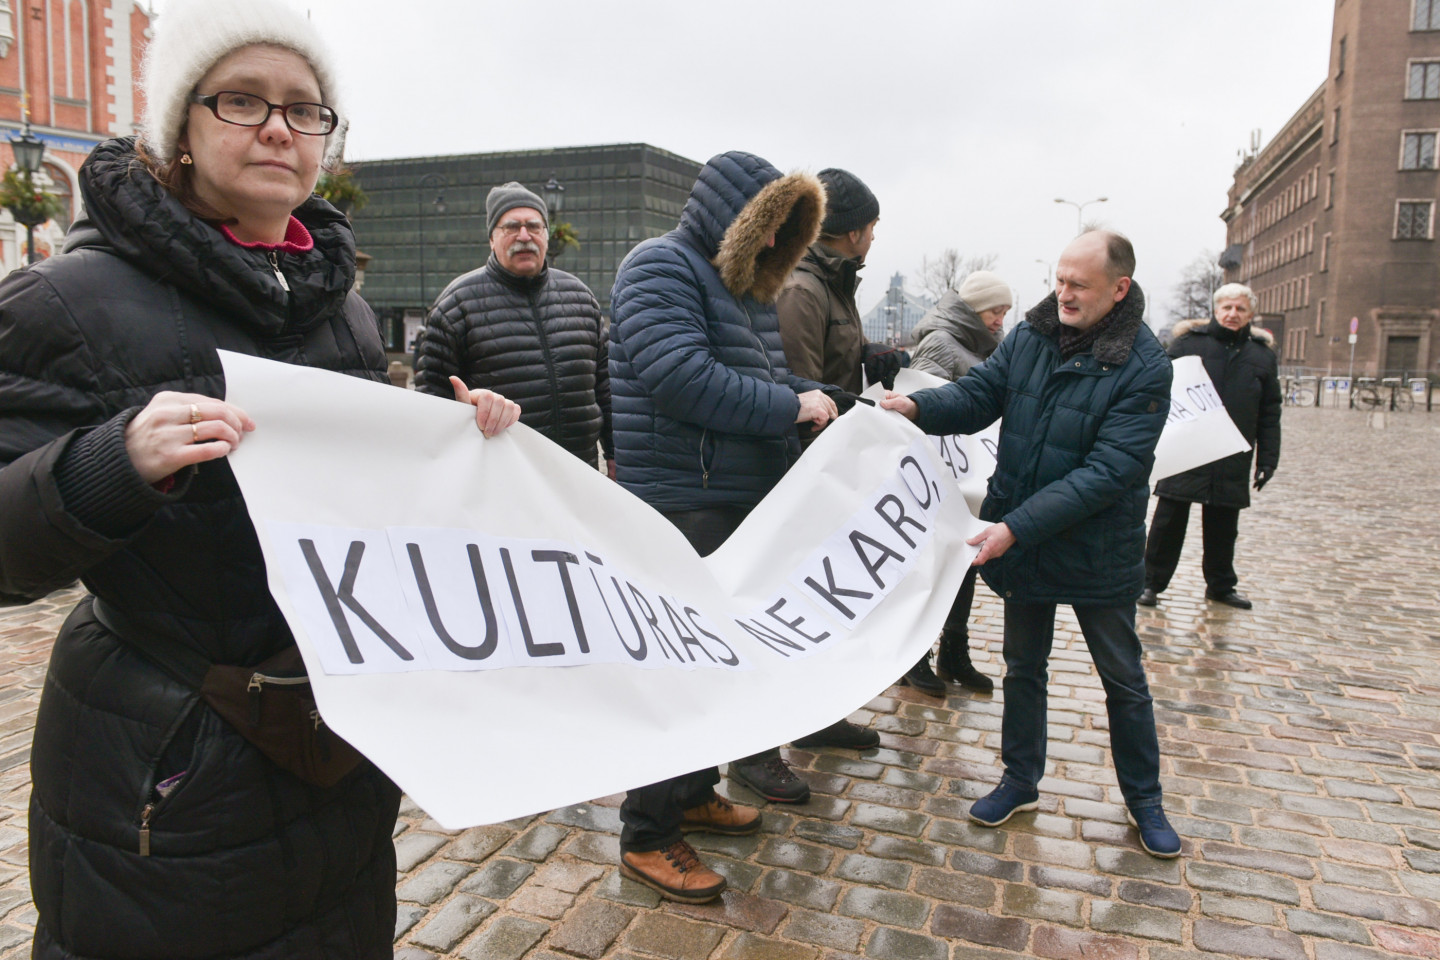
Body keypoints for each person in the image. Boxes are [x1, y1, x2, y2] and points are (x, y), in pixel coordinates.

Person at [0, 3, 521, 957]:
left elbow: (366, 513)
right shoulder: (62, 304)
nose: (279, 126)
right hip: (165, 773)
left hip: (329, 757)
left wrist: (457, 440)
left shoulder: (342, 308)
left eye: (305, 108)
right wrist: (109, 465)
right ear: (183, 131)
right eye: (242, 100)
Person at [880, 230, 1182, 859]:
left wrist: (1013, 525)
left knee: (1122, 678)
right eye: (1059, 279)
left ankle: (1144, 800)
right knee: (1024, 667)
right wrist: (916, 406)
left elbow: (1107, 472)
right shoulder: (1029, 335)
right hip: (1025, 538)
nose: (1063, 294)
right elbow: (980, 396)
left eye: (1079, 285)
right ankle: (1020, 779)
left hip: (1096, 547)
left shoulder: (1146, 365)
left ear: (1118, 289)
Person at [609, 150, 839, 901]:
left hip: (734, 500)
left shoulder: (744, 289)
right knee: (678, 671)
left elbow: (767, 380)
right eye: (770, 227)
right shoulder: (660, 267)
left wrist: (822, 396)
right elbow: (680, 376)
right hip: (683, 501)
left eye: (788, 233)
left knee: (720, 664)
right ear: (740, 221)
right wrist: (789, 408)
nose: (778, 246)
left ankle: (691, 791)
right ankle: (647, 831)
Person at [774, 167, 896, 750]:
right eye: (872, 227)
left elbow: (834, 357)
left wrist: (871, 353)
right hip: (809, 468)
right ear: (852, 233)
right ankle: (794, 720)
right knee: (803, 600)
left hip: (832, 460)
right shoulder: (804, 287)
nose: (874, 238)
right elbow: (801, 384)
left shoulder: (834, 282)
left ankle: (818, 712)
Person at [414, 182, 613, 473]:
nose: (524, 236)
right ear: (492, 239)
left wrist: (614, 453)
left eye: (534, 226)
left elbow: (606, 388)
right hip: (500, 481)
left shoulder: (580, 297)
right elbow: (432, 402)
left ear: (546, 236)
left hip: (578, 476)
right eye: (511, 227)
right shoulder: (456, 306)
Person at [900, 270, 1013, 696]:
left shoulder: (993, 347)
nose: (1001, 318)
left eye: (1005, 311)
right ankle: (914, 658)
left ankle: (954, 650)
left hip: (971, 479)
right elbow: (919, 399)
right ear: (973, 308)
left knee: (966, 561)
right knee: (930, 565)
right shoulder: (940, 342)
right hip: (939, 474)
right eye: (994, 310)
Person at [1138, 283, 1280, 610]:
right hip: (1187, 450)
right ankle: (1149, 584)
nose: (1232, 314)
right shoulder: (1189, 344)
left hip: (1232, 452)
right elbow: (1156, 391)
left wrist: (1268, 459)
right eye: (1227, 307)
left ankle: (1220, 586)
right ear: (1215, 310)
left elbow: (1270, 411)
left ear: (1250, 314)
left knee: (1223, 527)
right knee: (1168, 523)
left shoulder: (1262, 355)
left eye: (1240, 309)